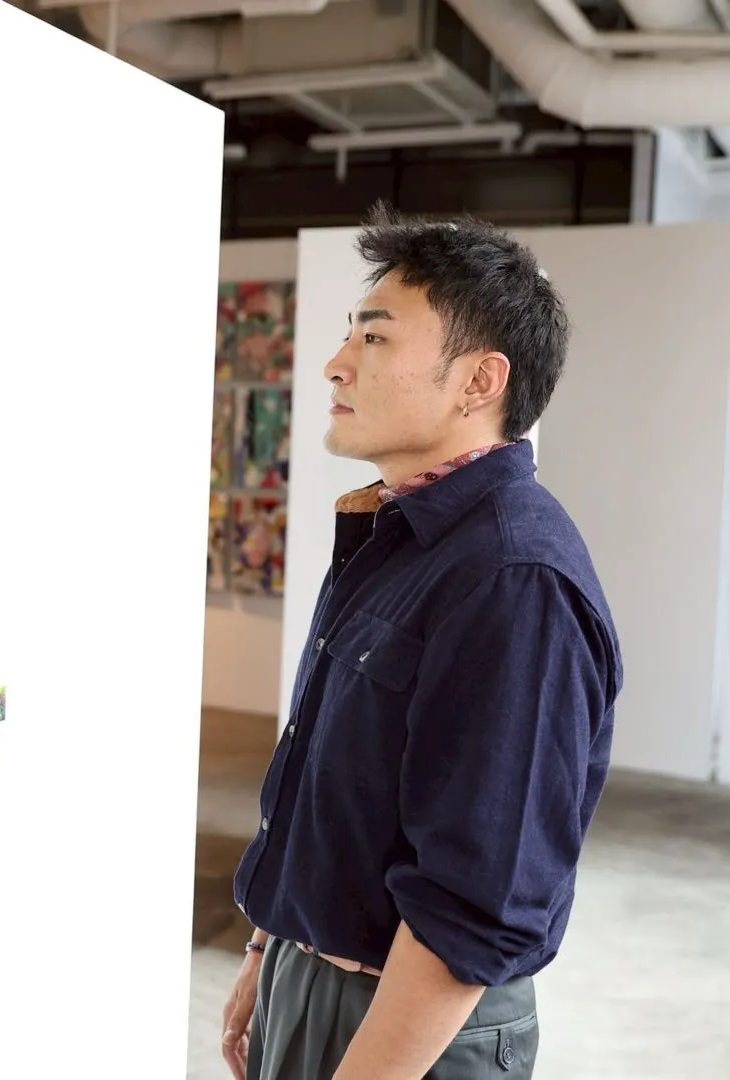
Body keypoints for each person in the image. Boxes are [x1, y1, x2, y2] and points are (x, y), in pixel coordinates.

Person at [220, 203, 622, 1080]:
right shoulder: (395, 534)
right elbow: (335, 784)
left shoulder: (514, 578)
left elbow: (478, 902)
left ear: (479, 380)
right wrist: (269, 945)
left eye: (374, 338)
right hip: (315, 975)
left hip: (411, 1024)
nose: (335, 363)